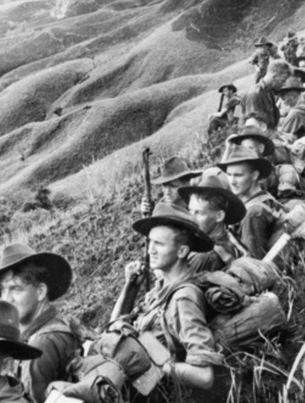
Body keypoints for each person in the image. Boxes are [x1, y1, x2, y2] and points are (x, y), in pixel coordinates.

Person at [111, 202, 222, 390]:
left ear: (182, 251)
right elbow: (113, 328)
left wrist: (158, 367)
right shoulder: (162, 287)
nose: (150, 250)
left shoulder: (183, 299)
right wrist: (130, 287)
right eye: (150, 242)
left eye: (159, 244)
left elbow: (204, 376)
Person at [0, 243, 77, 403]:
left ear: (40, 292)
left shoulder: (39, 345)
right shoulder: (57, 323)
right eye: (2, 290)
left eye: (16, 289)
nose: (6, 300)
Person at [217, 143, 286, 260]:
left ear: (254, 175)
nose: (232, 181)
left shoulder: (253, 214)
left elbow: (253, 263)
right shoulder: (261, 196)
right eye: (229, 175)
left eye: (238, 175)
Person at [179, 174, 247, 272]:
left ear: (219, 216)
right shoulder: (229, 237)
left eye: (198, 212)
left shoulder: (205, 256)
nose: (191, 218)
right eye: (190, 211)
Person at [240, 60, 293, 130]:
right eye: (283, 81)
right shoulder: (255, 94)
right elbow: (254, 128)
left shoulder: (269, 91)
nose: (284, 84)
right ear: (274, 76)